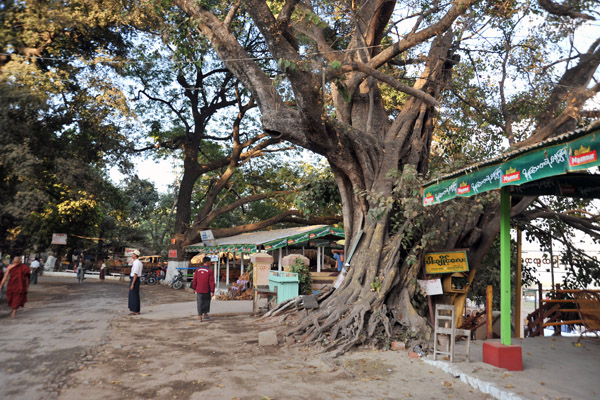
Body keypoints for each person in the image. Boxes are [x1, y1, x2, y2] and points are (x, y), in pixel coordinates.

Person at [191, 256, 215, 322]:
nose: (210, 263)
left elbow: (194, 279)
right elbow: (211, 282)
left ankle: (199, 316)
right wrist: (212, 291)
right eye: (210, 261)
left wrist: (194, 288)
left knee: (200, 302)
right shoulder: (210, 271)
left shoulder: (198, 270)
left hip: (199, 289)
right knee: (206, 301)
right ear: (207, 262)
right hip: (207, 289)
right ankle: (205, 314)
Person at [128, 250, 143, 315]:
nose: (132, 255)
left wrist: (132, 284)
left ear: (135, 255)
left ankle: (136, 310)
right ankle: (135, 310)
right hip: (135, 279)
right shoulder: (137, 262)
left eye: (133, 254)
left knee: (134, 295)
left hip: (135, 279)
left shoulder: (137, 263)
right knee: (133, 294)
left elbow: (135, 274)